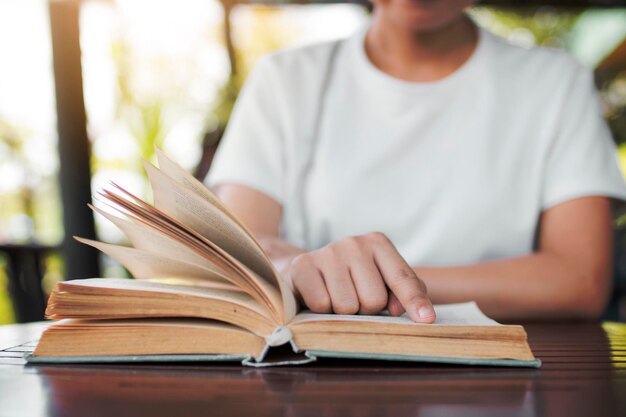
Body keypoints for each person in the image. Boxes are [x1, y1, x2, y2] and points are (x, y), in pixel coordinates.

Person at [206, 0, 626, 323]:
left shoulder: (555, 83)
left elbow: (579, 279)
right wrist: (293, 267)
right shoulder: (285, 79)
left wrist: (372, 281)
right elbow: (240, 251)